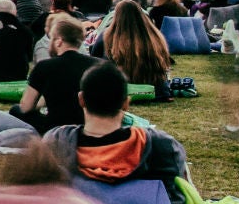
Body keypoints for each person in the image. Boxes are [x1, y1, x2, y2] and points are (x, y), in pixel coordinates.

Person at [43, 63, 190, 194]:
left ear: (81, 99)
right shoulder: (160, 145)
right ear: (126, 103)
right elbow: (177, 201)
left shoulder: (56, 142)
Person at [15, 15, 97, 133]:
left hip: (55, 128)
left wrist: (42, 101)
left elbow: (26, 107)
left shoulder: (44, 67)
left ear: (59, 41)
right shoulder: (98, 66)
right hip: (90, 125)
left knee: (15, 110)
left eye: (51, 38)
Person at [96, 0, 172, 101]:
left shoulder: (107, 36)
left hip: (120, 90)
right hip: (157, 91)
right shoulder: (155, 37)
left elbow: (94, 60)